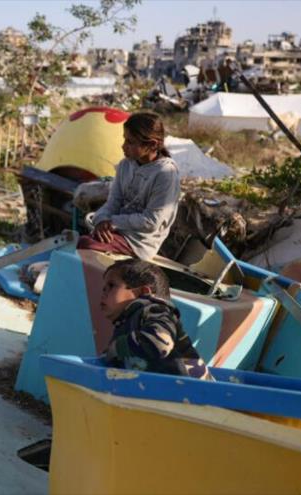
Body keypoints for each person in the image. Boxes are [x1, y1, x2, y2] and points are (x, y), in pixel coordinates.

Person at [80, 112, 180, 261]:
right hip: (118, 232)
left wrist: (112, 222)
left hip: (139, 243)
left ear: (152, 144)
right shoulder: (125, 165)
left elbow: (151, 222)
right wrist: (101, 219)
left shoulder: (165, 173)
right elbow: (113, 202)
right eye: (125, 140)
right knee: (75, 240)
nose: (123, 146)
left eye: (130, 142)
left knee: (84, 244)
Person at [100, 259, 210, 380]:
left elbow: (161, 341)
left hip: (195, 392)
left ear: (144, 292)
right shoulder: (126, 323)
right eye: (104, 287)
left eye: (111, 286)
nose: (104, 292)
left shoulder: (155, 310)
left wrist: (118, 347)